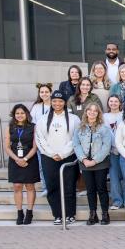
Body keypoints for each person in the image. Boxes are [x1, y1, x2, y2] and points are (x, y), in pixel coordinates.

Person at [35, 90, 81, 225]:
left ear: (65, 103)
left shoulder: (74, 119)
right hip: (48, 158)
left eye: (60, 101)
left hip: (68, 157)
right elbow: (40, 139)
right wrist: (51, 153)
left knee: (69, 187)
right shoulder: (42, 119)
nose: (57, 103)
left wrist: (62, 154)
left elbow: (76, 138)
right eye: (54, 101)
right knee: (52, 186)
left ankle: (70, 214)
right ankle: (57, 214)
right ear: (51, 102)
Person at [72, 102, 113, 226]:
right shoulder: (80, 128)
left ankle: (105, 214)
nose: (92, 112)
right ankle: (93, 214)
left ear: (98, 113)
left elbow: (106, 147)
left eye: (95, 111)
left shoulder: (104, 129)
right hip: (85, 163)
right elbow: (76, 144)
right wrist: (84, 159)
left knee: (101, 188)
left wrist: (95, 160)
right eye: (90, 110)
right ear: (86, 112)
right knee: (90, 190)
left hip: (100, 163)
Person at [5, 103, 40, 225]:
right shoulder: (10, 127)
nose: (20, 115)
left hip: (29, 159)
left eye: (22, 113)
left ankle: (29, 212)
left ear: (26, 114)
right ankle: (20, 213)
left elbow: (35, 147)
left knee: (30, 186)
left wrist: (24, 159)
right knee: (17, 186)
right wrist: (17, 159)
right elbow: (7, 147)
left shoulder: (33, 127)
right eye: (17, 113)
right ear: (14, 115)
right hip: (15, 159)